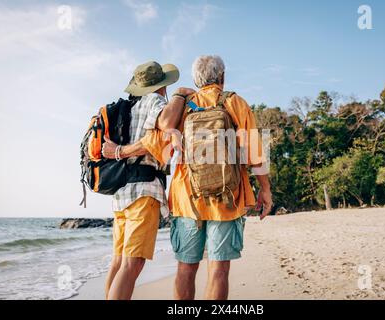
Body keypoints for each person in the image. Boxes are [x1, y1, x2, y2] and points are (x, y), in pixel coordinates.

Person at [141, 55, 273, 300]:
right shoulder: (236, 102)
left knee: (185, 269)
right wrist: (265, 189)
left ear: (195, 80)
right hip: (228, 199)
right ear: (222, 77)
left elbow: (155, 147)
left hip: (186, 199)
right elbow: (255, 153)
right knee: (219, 270)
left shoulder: (181, 106)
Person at [101, 61, 194, 300]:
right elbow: (165, 122)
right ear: (162, 85)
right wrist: (180, 95)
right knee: (132, 266)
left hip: (121, 193)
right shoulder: (155, 101)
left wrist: (120, 151)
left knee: (119, 262)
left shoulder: (130, 107)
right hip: (144, 191)